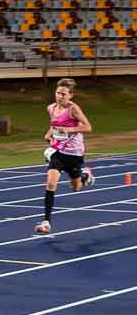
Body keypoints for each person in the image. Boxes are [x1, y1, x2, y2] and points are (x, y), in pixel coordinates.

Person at [35, 77, 95, 235]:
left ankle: (85, 175)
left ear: (70, 95)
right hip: (59, 153)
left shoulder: (73, 109)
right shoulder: (51, 108)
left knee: (76, 188)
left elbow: (88, 127)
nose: (60, 96)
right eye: (58, 93)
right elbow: (54, 124)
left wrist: (68, 130)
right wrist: (48, 134)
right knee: (50, 184)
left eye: (63, 94)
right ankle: (46, 222)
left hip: (75, 154)